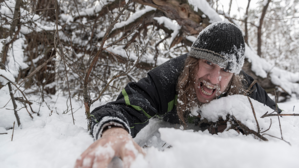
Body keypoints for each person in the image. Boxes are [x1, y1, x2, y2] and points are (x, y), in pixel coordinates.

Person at [74, 22, 280, 168]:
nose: (215, 79)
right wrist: (114, 131)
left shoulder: (244, 86)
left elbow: (280, 121)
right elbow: (121, 108)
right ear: (194, 62)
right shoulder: (168, 78)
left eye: (225, 70)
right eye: (209, 63)